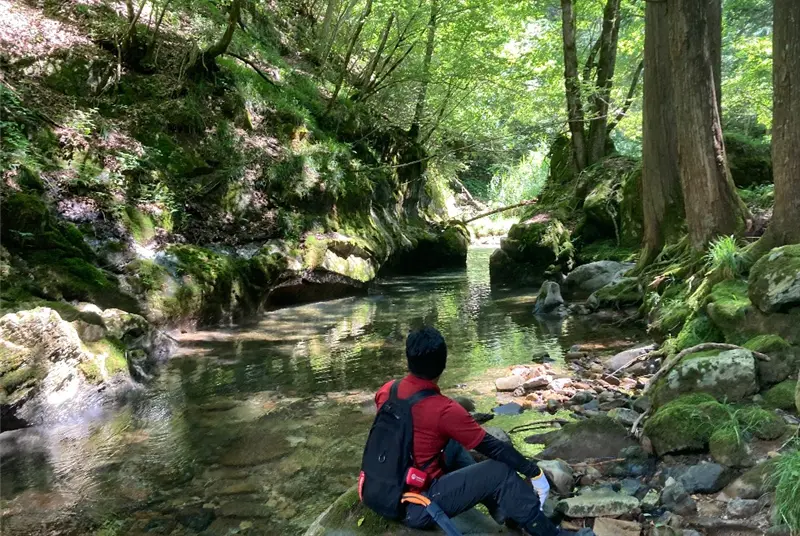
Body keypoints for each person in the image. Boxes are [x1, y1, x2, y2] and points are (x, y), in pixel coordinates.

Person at [374, 326, 591, 536]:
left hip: (382, 488)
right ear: (443, 363)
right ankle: (549, 532)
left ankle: (507, 511)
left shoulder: (387, 390)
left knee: (452, 444)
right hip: (415, 506)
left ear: (408, 359)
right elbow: (493, 447)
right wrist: (534, 472)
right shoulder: (443, 410)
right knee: (498, 472)